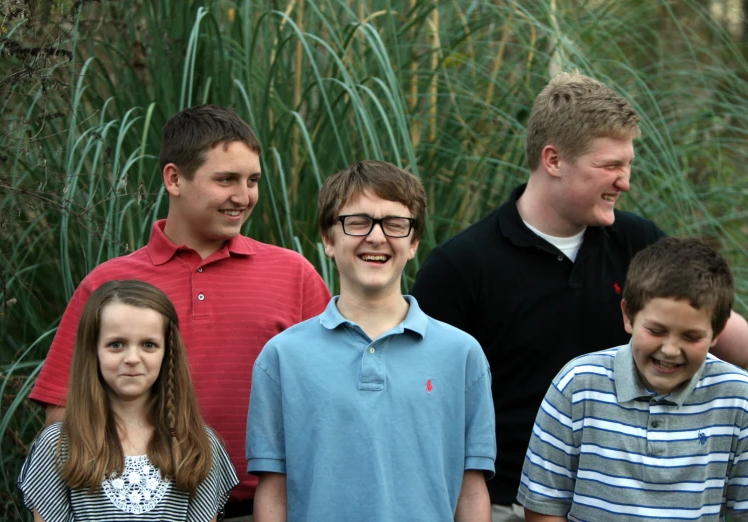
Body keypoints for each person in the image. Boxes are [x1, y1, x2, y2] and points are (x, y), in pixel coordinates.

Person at [410, 71, 748, 521]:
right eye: (610, 166)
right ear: (553, 159)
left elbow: (716, 328)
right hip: (504, 503)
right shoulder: (462, 266)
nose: (625, 181)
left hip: (625, 500)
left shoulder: (637, 242)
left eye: (628, 164)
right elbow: (423, 402)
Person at [29, 105, 332, 518]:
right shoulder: (108, 284)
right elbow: (65, 411)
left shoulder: (293, 274)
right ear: (174, 178)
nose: (243, 197)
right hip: (145, 509)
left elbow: (330, 396)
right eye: (225, 179)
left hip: (268, 508)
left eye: (253, 181)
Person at [245, 161, 497, 522]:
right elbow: (274, 491)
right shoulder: (283, 357)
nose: (377, 237)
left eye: (395, 224)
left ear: (413, 243)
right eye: (358, 222)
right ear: (329, 240)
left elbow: (471, 490)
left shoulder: (462, 355)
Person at [517, 236, 748, 521]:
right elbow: (543, 506)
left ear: (717, 332)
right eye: (656, 331)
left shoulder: (739, 398)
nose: (670, 350)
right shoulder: (578, 386)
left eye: (691, 336)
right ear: (628, 316)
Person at [18, 280, 239, 520]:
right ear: (93, 350)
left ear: (167, 353)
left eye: (148, 345)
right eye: (116, 344)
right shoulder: (58, 444)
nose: (132, 358)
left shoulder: (197, 444)